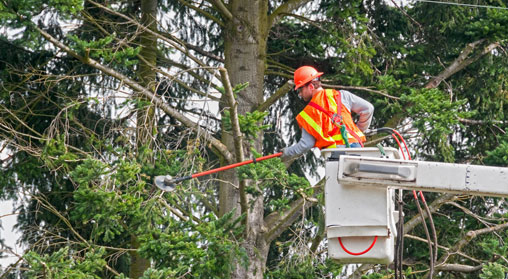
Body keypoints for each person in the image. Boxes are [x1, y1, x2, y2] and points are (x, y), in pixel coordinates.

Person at [281, 66, 374, 160]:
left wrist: (287, 152)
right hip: (357, 148)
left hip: (336, 155)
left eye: (300, 89)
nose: (300, 94)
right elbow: (368, 109)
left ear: (311, 86)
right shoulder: (341, 95)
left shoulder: (310, 112)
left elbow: (306, 144)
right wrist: (359, 129)